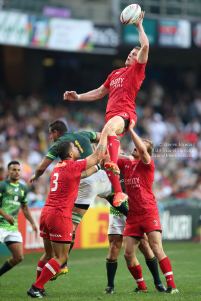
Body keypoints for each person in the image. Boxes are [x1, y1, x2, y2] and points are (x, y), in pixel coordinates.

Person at [63, 11, 149, 207]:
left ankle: (103, 158)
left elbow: (145, 46)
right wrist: (78, 97)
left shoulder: (136, 72)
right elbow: (100, 92)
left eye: (134, 55)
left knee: (108, 133)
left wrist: (138, 26)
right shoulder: (115, 73)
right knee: (108, 158)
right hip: (111, 118)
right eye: (129, 53)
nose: (130, 56)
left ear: (139, 60)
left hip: (125, 115)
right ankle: (118, 193)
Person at [30, 120, 128, 279]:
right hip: (101, 175)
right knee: (111, 196)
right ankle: (133, 218)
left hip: (86, 181)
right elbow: (103, 135)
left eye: (50, 135)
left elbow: (42, 167)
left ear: (56, 133)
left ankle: (62, 264)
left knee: (72, 225)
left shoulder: (60, 146)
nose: (50, 138)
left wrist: (36, 176)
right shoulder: (82, 134)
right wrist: (112, 141)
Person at [109, 121, 179, 294]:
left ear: (146, 152)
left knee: (156, 248)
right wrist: (109, 133)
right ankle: (141, 285)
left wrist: (131, 129)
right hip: (133, 215)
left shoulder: (147, 165)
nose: (136, 147)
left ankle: (172, 286)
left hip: (148, 211)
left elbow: (141, 151)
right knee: (128, 254)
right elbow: (111, 155)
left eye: (141, 147)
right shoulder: (126, 165)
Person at [104, 158, 165, 294]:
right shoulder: (106, 170)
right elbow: (107, 195)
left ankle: (158, 282)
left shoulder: (128, 165)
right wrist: (127, 213)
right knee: (114, 247)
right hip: (117, 213)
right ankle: (111, 287)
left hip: (136, 212)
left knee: (144, 245)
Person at [0, 161, 38, 280]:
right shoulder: (3, 185)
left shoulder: (22, 188)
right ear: (8, 171)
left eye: (18, 170)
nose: (16, 172)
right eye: (13, 169)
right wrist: (5, 215)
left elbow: (25, 208)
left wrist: (32, 223)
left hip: (12, 227)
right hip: (1, 224)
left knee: (18, 257)